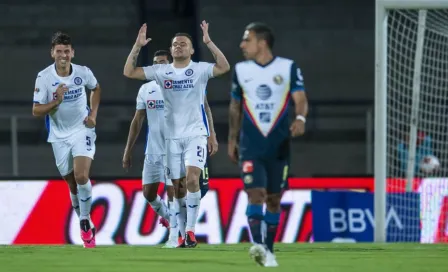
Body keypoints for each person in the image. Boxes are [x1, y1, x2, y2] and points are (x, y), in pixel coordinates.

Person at [123, 21, 227, 248]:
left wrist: (208, 42)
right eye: (175, 44)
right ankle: (180, 232)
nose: (179, 46)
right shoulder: (161, 72)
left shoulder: (199, 69)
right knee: (178, 187)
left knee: (191, 179)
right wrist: (137, 46)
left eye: (184, 44)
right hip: (171, 138)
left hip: (195, 134)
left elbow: (223, 67)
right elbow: (129, 72)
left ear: (191, 49)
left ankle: (189, 232)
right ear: (171, 51)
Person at [227, 22, 308, 266]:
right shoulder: (241, 70)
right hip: (251, 144)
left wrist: (301, 118)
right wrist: (232, 137)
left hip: (279, 144)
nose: (242, 45)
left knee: (274, 198)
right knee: (255, 194)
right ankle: (259, 246)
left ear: (261, 43)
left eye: (247, 40)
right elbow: (235, 106)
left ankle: (269, 250)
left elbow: (300, 98)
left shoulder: (288, 67)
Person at [32, 31, 101, 248]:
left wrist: (93, 115)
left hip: (82, 129)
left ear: (73, 53)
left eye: (67, 51)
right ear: (52, 53)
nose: (63, 55)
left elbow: (96, 88)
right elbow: (36, 110)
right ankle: (88, 220)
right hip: (58, 135)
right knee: (71, 182)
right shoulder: (44, 78)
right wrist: (56, 101)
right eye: (59, 51)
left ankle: (82, 220)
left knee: (81, 175)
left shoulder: (83, 72)